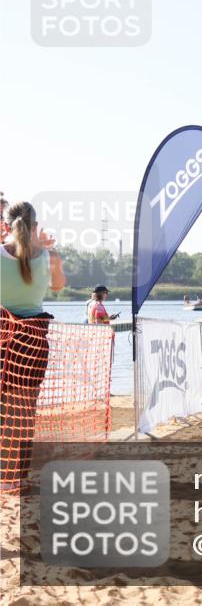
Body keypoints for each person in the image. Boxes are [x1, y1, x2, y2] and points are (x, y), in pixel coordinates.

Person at [0, 202, 66, 491]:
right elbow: (58, 287)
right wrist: (45, 248)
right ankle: (17, 476)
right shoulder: (50, 257)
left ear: (6, 225)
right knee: (25, 409)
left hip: (3, 335)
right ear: (36, 225)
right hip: (35, 340)